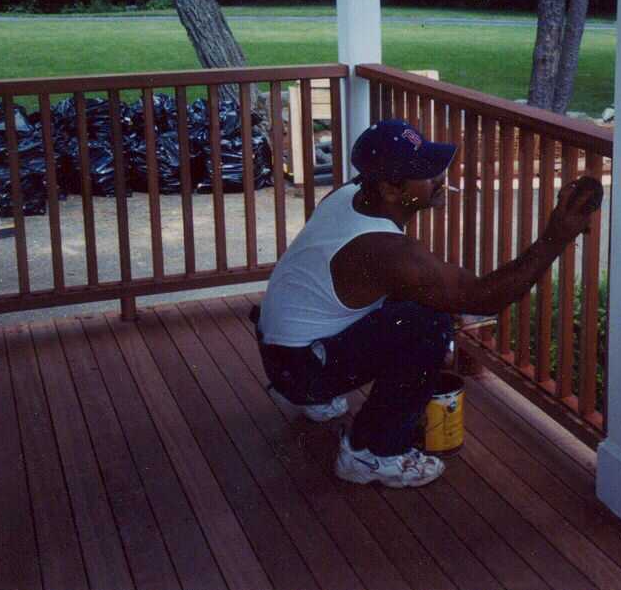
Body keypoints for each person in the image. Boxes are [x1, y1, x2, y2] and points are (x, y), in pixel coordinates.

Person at [256, 118, 602, 488]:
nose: (440, 175)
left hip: (280, 353)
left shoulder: (348, 195)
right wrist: (555, 237)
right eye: (426, 172)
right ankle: (371, 454)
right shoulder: (384, 251)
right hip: (301, 372)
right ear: (390, 188)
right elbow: (486, 299)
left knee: (418, 308)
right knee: (427, 325)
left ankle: (323, 397)